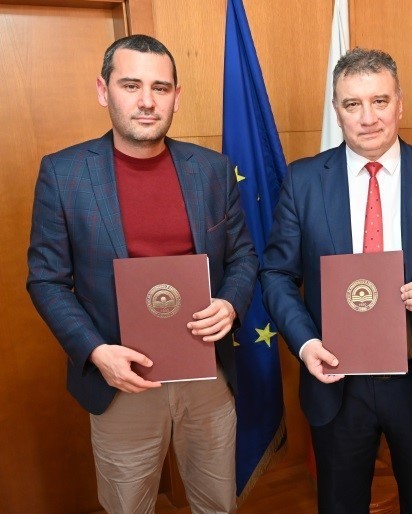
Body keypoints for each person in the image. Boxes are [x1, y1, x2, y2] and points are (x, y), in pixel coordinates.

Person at [26, 35, 258, 514]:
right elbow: (47, 280)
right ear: (103, 90)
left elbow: (243, 257)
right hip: (120, 380)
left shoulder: (212, 170)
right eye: (131, 85)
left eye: (160, 87)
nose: (147, 101)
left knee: (218, 503)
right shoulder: (64, 174)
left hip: (206, 372)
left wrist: (231, 303)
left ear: (177, 96)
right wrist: (96, 351)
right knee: (128, 506)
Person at [260, 48, 412, 514]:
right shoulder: (303, 181)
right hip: (336, 380)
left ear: (399, 104)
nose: (368, 118)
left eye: (380, 101)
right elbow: (277, 273)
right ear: (337, 110)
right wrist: (305, 344)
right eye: (353, 104)